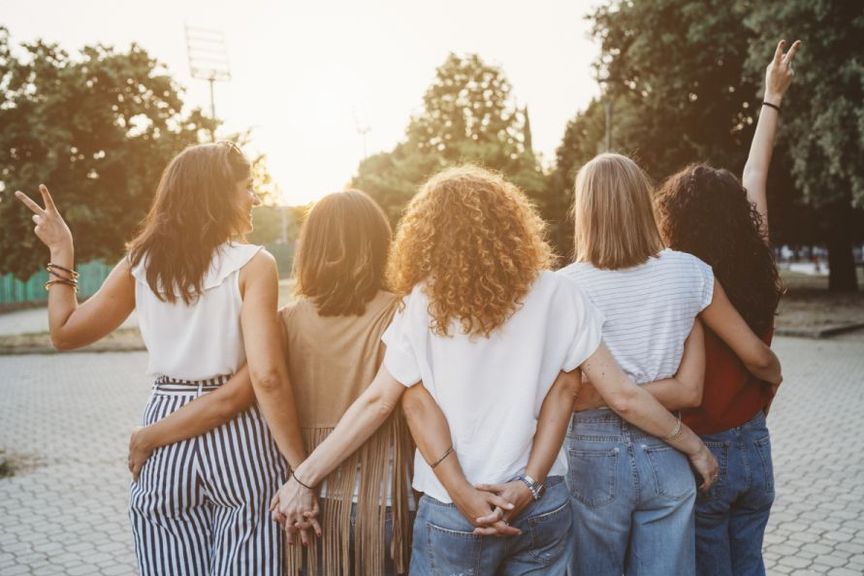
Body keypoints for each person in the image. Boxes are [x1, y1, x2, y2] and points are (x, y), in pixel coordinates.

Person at [270, 165, 719, 575]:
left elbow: (382, 401)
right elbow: (618, 394)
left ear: (428, 234)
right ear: (512, 223)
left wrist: (304, 476)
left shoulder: (420, 303)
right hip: (540, 505)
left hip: (452, 510)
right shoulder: (559, 293)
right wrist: (692, 446)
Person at [16, 141, 309, 575]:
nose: (255, 198)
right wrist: (302, 468)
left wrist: (62, 252)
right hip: (240, 439)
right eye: (246, 188)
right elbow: (266, 378)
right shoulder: (254, 264)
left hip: (163, 431)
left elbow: (65, 332)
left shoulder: (141, 263)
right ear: (217, 194)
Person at [127, 190, 416, 575]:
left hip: (299, 505)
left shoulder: (283, 323)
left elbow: (242, 392)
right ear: (381, 246)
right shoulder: (403, 314)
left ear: (309, 249)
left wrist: (152, 435)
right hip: (382, 502)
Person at [560, 151, 783, 576]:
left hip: (593, 458)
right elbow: (689, 390)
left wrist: (600, 395)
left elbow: (569, 396)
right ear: (643, 203)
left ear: (584, 210)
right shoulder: (690, 274)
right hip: (669, 450)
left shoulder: (564, 287)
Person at [654, 39, 799, 576]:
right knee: (751, 564)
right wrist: (772, 98)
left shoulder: (681, 279)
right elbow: (755, 175)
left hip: (704, 450)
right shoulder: (757, 263)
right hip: (756, 444)